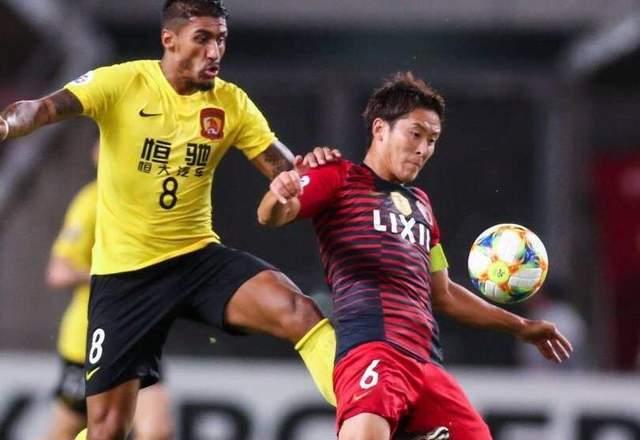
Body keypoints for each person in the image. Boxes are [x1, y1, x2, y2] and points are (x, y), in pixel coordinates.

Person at [0, 1, 337, 439]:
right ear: (169, 40)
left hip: (196, 259)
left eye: (221, 40)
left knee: (298, 310)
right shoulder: (122, 82)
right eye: (202, 38)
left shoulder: (230, 103)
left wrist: (311, 171)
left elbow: (287, 171)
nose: (214, 51)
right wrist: (7, 125)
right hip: (126, 278)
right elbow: (43, 109)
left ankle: (371, 414)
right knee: (107, 429)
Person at [257, 71, 574, 440]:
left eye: (432, 140)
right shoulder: (338, 176)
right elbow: (272, 215)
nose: (424, 149)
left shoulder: (422, 206)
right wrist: (279, 193)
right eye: (415, 134)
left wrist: (521, 327)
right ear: (380, 129)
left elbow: (444, 293)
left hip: (427, 367)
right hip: (373, 349)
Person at [42, 142, 173, 440]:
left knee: (157, 431)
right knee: (71, 428)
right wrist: (111, 277)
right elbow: (58, 271)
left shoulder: (153, 202)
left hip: (138, 336)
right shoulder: (91, 202)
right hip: (90, 340)